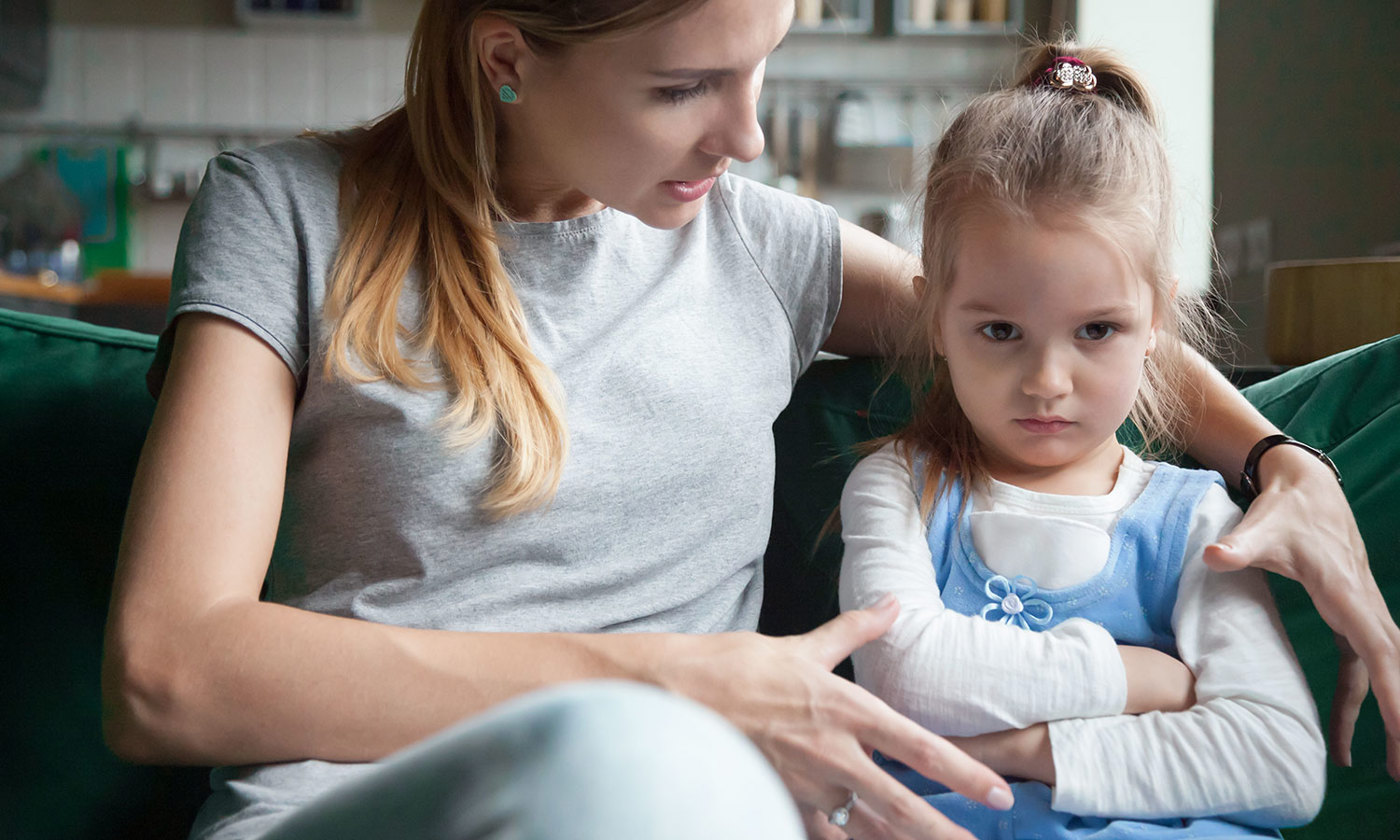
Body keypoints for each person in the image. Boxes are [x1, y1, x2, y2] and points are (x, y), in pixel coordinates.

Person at [97, 0, 1394, 838]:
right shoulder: (287, 213)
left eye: (762, 65)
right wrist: (667, 680)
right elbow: (165, 672)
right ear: (508, 58)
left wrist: (1283, 463)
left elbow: (1062, 314)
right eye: (685, 87)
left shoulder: (761, 245)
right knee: (630, 771)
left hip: (706, 806)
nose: (748, 133)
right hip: (393, 807)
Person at [838, 46, 1327, 838]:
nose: (1046, 381)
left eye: (1097, 330)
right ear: (935, 317)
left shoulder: (1197, 521)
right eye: (1000, 330)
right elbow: (906, 672)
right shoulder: (901, 485)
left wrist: (1029, 748)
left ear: (1156, 323)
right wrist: (1142, 680)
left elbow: (1282, 764)